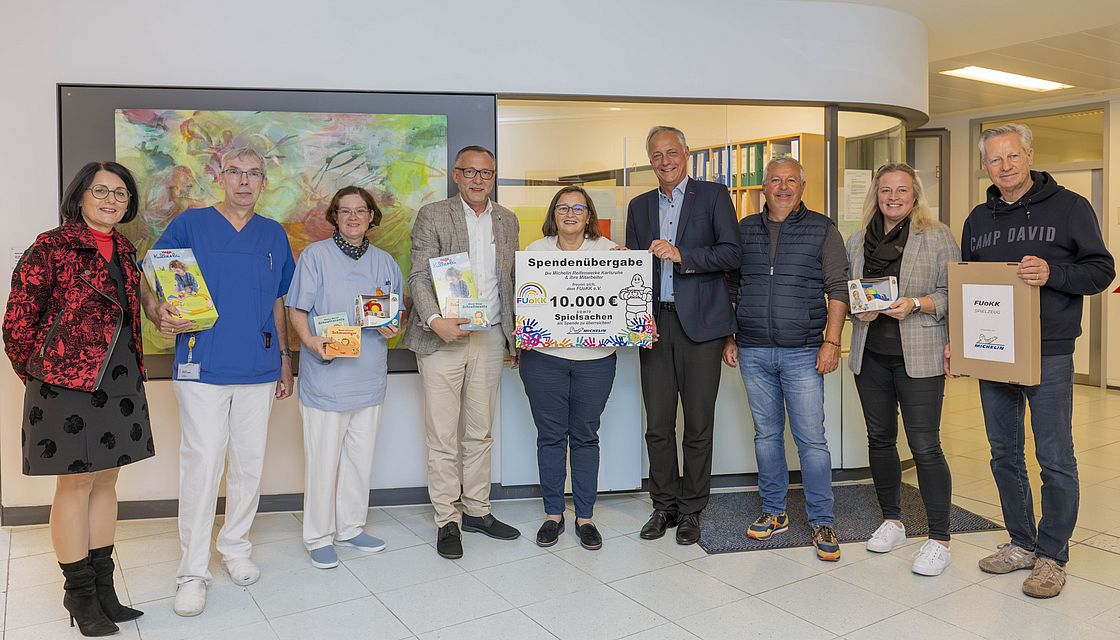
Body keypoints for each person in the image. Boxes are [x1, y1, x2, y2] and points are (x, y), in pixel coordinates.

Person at [954, 123, 1114, 597]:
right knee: (1004, 454)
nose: (1004, 166)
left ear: (1029, 156)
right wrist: (959, 342)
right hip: (992, 352)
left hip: (1049, 352)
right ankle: (1021, 543)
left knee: (1054, 457)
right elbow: (968, 286)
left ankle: (1052, 556)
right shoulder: (978, 219)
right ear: (984, 166)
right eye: (994, 160)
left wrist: (1053, 273)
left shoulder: (1070, 207)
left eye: (1012, 157)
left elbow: (1101, 270)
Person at [141, 146, 296, 616]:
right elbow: (151, 281)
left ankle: (236, 547)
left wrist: (286, 358)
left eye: (254, 174)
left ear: (264, 182)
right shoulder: (191, 224)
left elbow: (277, 302)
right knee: (203, 462)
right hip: (201, 364)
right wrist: (157, 311)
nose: (244, 181)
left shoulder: (273, 234)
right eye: (235, 172)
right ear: (219, 176)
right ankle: (192, 572)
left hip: (259, 365)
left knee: (248, 462)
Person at [4, 161, 153, 636]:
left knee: (107, 480)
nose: (112, 201)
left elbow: (135, 309)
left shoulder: (126, 249)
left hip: (120, 379)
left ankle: (104, 588)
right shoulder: (51, 246)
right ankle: (79, 595)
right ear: (81, 196)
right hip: (65, 384)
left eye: (121, 194)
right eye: (101, 191)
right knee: (75, 484)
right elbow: (17, 322)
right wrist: (44, 372)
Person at [723, 156, 848, 561]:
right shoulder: (744, 230)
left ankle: (821, 519)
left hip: (805, 351)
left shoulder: (822, 228)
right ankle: (774, 511)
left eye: (790, 180)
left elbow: (838, 287)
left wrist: (832, 342)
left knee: (812, 440)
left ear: (802, 186)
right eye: (775, 180)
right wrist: (731, 336)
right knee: (767, 436)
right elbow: (731, 286)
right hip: (755, 349)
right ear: (763, 187)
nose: (782, 187)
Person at [403, 145, 521, 559]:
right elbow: (418, 274)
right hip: (442, 337)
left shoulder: (507, 220)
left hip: (489, 337)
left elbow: (509, 281)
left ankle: (477, 509)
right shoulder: (433, 215)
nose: (477, 179)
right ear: (456, 175)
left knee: (480, 431)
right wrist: (435, 320)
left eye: (485, 173)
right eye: (469, 172)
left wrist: (514, 337)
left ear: (493, 177)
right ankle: (446, 519)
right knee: (442, 434)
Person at [626, 126, 740, 545]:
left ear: (687, 153)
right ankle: (664, 505)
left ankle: (692, 509)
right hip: (654, 325)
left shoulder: (713, 196)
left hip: (702, 327)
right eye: (656, 155)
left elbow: (732, 253)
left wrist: (682, 255)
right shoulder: (639, 206)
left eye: (671, 152)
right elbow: (637, 269)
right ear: (649, 161)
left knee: (697, 423)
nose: (665, 161)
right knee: (657, 423)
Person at [846, 163, 960, 576]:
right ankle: (892, 520)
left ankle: (939, 539)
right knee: (880, 439)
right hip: (870, 354)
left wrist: (915, 303)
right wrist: (856, 313)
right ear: (875, 194)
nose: (893, 197)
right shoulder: (857, 239)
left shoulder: (937, 235)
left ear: (915, 195)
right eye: (885, 190)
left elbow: (952, 294)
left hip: (920, 354)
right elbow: (849, 293)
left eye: (902, 190)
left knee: (926, 446)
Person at [286, 186, 403, 569]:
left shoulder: (385, 262)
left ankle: (351, 528)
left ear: (372, 216)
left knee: (359, 459)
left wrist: (392, 328)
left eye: (361, 211)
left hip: (369, 377)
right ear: (334, 216)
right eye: (345, 211)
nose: (353, 218)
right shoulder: (316, 257)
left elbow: (395, 315)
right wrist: (310, 341)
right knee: (323, 461)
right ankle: (318, 535)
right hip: (328, 378)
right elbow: (297, 310)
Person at [521, 186, 620, 551]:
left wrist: (630, 275)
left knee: (585, 436)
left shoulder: (610, 252)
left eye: (578, 208)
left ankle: (585, 516)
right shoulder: (535, 252)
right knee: (549, 436)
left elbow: (625, 301)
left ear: (589, 215)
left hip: (595, 362)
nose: (570, 214)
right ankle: (553, 515)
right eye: (563, 207)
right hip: (544, 360)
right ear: (554, 214)